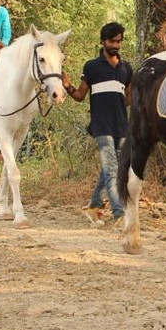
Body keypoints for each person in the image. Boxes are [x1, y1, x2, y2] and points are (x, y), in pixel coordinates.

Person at [63, 22, 133, 222]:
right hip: (101, 126)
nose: (116, 45)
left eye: (119, 41)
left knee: (113, 167)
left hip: (121, 126)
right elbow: (79, 95)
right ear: (103, 41)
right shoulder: (91, 67)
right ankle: (119, 213)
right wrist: (67, 86)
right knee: (112, 170)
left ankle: (95, 203)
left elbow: (129, 98)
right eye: (112, 41)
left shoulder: (126, 68)